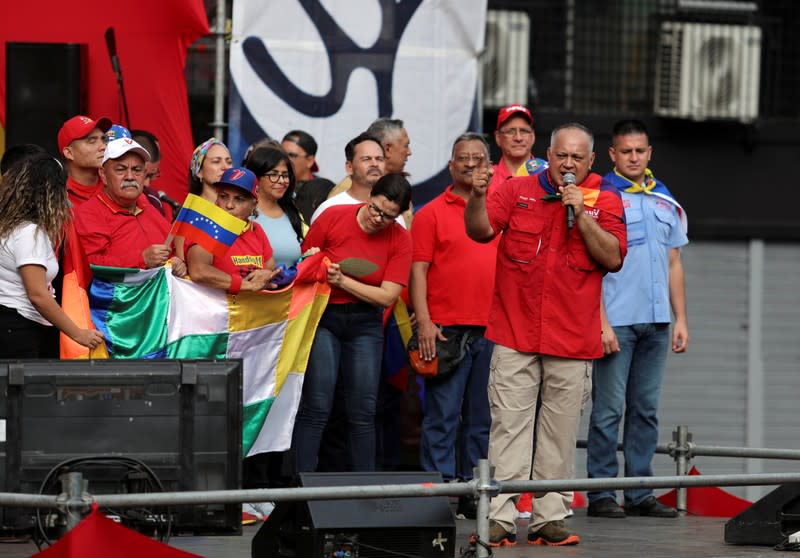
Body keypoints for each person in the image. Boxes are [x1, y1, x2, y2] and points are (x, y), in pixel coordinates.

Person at [465, 123, 627, 547]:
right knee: (508, 426)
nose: (568, 164)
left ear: (591, 162)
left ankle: (548, 518)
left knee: (559, 432)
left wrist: (582, 216)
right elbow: (479, 231)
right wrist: (478, 196)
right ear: (548, 154)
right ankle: (500, 516)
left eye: (577, 158)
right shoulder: (518, 190)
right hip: (515, 332)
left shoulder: (604, 198)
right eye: (561, 155)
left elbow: (612, 257)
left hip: (572, 339)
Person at [586, 119, 689, 519]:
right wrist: (601, 321)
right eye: (625, 151)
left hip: (657, 323)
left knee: (645, 409)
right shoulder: (599, 196)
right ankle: (601, 494)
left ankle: (640, 492)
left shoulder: (665, 199)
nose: (633, 157)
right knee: (608, 410)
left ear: (649, 153)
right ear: (612, 154)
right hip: (618, 322)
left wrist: (681, 319)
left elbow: (674, 263)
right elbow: (590, 266)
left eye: (639, 151)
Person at [292, 173, 412, 473]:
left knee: (363, 410)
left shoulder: (400, 238)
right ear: (369, 196)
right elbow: (305, 261)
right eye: (376, 208)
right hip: (324, 317)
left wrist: (342, 281)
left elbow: (387, 297)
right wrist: (316, 265)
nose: (378, 218)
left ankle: (364, 492)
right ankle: (297, 490)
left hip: (366, 323)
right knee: (317, 406)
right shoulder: (333, 215)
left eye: (388, 216)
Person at [411, 132, 498, 518]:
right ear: (451, 165)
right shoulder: (430, 212)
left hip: (495, 329)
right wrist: (425, 322)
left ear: (490, 165)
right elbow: (418, 271)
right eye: (463, 158)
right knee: (442, 416)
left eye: (478, 158)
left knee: (483, 418)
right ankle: (438, 492)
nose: (470, 164)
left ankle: (473, 491)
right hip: (445, 329)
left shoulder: (500, 207)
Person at [0, 153, 104, 357]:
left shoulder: (13, 227)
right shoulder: (28, 233)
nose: (67, 198)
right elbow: (38, 295)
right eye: (63, 190)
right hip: (16, 328)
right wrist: (79, 334)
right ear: (50, 194)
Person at [74, 138, 185, 276]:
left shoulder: (146, 205)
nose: (130, 177)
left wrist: (177, 261)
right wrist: (141, 259)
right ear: (103, 174)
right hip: (118, 296)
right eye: (121, 170)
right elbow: (91, 264)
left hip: (160, 293)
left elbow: (172, 247)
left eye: (137, 170)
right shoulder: (90, 212)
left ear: (144, 174)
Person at [186, 167, 277, 294]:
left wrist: (266, 274)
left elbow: (270, 265)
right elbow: (199, 271)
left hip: (250, 310)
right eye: (223, 196)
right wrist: (248, 285)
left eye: (239, 199)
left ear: (254, 204)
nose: (229, 205)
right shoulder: (207, 227)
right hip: (217, 310)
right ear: (217, 199)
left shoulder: (256, 230)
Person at [325, 118, 413, 227]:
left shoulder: (397, 187)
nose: (409, 152)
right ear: (388, 149)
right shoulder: (345, 193)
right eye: (406, 146)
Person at [310, 133, 395, 224]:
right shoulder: (329, 208)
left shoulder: (393, 211)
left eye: (379, 159)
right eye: (366, 159)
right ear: (349, 167)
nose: (375, 164)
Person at [245, 146, 305, 267]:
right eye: (273, 174)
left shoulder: (292, 212)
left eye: (285, 175)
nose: (282, 180)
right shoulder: (243, 213)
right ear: (256, 177)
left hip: (292, 285)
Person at [58, 114, 112, 208]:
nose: (104, 147)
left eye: (104, 140)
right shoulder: (55, 196)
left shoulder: (115, 186)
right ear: (69, 153)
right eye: (92, 141)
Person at [282, 130, 335, 224]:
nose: (283, 160)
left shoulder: (324, 191)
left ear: (310, 161)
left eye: (291, 155)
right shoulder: (273, 187)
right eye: (281, 153)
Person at [489, 104, 535, 192]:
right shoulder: (486, 178)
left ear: (532, 136)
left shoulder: (548, 175)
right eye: (510, 132)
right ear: (498, 137)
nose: (518, 138)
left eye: (524, 131)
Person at [188, 137, 233, 202]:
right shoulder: (191, 210)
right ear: (199, 171)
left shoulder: (237, 209)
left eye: (229, 162)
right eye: (216, 161)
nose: (225, 167)